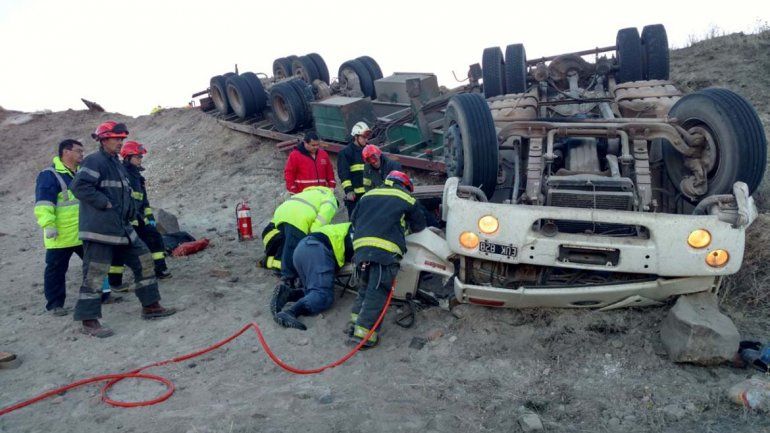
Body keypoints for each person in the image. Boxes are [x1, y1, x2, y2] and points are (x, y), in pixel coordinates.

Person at [70, 121, 176, 338]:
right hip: (100, 229)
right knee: (95, 272)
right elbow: (79, 187)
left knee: (145, 260)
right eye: (116, 138)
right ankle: (89, 320)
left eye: (122, 139)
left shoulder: (116, 164)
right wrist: (105, 203)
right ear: (104, 139)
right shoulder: (95, 160)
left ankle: (151, 306)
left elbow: (126, 194)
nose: (120, 142)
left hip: (122, 227)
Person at [347, 171, 426, 348]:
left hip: (361, 250)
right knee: (378, 293)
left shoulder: (368, 195)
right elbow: (419, 226)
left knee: (365, 289)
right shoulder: (407, 199)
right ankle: (364, 336)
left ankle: (353, 324)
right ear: (405, 186)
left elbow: (353, 221)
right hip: (385, 253)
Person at [107, 140, 172, 289]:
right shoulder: (123, 174)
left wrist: (149, 217)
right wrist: (128, 218)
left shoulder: (138, 177)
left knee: (154, 237)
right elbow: (122, 198)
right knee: (120, 249)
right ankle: (115, 282)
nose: (140, 159)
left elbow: (144, 200)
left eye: (141, 157)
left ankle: (159, 269)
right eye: (137, 156)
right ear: (128, 157)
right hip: (125, 219)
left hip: (138, 218)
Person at [34, 139, 84, 316]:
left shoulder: (79, 172)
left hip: (83, 231)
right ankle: (55, 304)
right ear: (66, 152)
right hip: (61, 234)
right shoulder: (50, 175)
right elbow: (43, 203)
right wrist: (48, 225)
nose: (81, 154)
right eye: (78, 151)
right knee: (56, 271)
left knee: (95, 265)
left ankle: (101, 295)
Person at [271, 222, 353, 330]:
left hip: (303, 248)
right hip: (316, 250)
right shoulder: (360, 231)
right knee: (323, 296)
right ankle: (290, 312)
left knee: (312, 292)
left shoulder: (352, 226)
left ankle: (288, 293)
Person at [271, 186, 338, 287]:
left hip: (281, 213)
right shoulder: (331, 199)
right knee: (293, 246)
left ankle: (280, 269)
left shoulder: (311, 192)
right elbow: (322, 219)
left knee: (287, 244)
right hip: (297, 217)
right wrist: (313, 233)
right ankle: (288, 278)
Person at [337, 121, 370, 218]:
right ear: (356, 137)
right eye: (363, 137)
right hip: (355, 197)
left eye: (367, 138)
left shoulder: (368, 150)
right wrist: (349, 191)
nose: (366, 140)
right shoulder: (346, 153)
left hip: (369, 193)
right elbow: (344, 174)